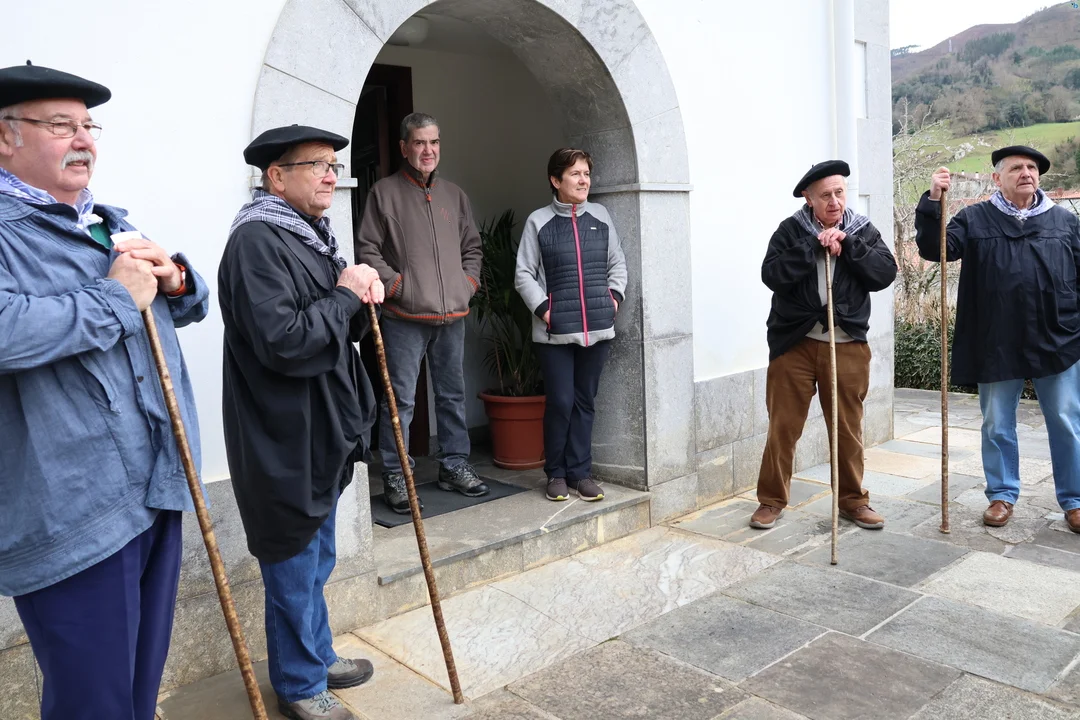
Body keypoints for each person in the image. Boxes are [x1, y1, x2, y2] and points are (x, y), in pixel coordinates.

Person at [0, 62, 209, 720]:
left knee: (137, 693)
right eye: (61, 125)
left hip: (155, 488)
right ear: (5, 136)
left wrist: (177, 278)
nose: (84, 139)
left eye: (89, 126)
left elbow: (180, 305)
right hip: (74, 511)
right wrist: (115, 298)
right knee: (93, 704)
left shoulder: (105, 220)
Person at [219, 124, 383, 720]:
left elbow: (334, 329)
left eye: (333, 165)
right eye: (315, 165)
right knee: (291, 562)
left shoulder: (310, 237)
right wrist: (344, 296)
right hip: (282, 435)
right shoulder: (255, 242)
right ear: (276, 176)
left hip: (321, 430)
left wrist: (361, 298)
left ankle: (315, 655)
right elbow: (284, 341)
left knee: (316, 560)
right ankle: (298, 683)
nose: (330, 176)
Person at [916, 146, 1080, 533]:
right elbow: (936, 249)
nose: (1026, 173)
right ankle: (1002, 495)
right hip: (996, 338)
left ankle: (1075, 500)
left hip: (1057, 336)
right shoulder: (974, 218)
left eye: (1032, 168)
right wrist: (933, 201)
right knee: (997, 422)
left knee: (1066, 419)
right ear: (997, 178)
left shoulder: (1064, 221)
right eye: (1016, 168)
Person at [751, 160, 897, 530]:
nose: (834, 201)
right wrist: (812, 247)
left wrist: (849, 246)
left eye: (839, 192)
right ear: (809, 198)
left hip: (846, 344)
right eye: (825, 195)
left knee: (847, 429)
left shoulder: (861, 229)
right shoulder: (790, 231)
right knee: (783, 427)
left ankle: (853, 502)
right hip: (795, 345)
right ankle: (771, 500)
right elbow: (772, 275)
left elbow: (884, 273)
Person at [356, 112, 488, 514]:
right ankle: (397, 474)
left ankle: (454, 465)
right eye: (419, 142)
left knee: (451, 395)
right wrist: (399, 288)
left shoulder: (454, 195)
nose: (428, 150)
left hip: (452, 316)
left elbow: (472, 247)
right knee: (399, 401)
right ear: (404, 147)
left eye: (434, 142)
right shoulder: (383, 193)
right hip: (404, 319)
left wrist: (467, 284)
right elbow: (367, 250)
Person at [514, 148, 627, 502]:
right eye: (575, 174)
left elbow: (617, 264)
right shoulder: (538, 221)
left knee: (584, 402)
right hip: (555, 333)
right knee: (561, 402)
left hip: (598, 329)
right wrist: (546, 311)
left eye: (586, 174)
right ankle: (556, 473)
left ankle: (580, 473)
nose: (583, 180)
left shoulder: (601, 216)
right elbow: (523, 274)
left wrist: (613, 300)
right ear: (555, 180)